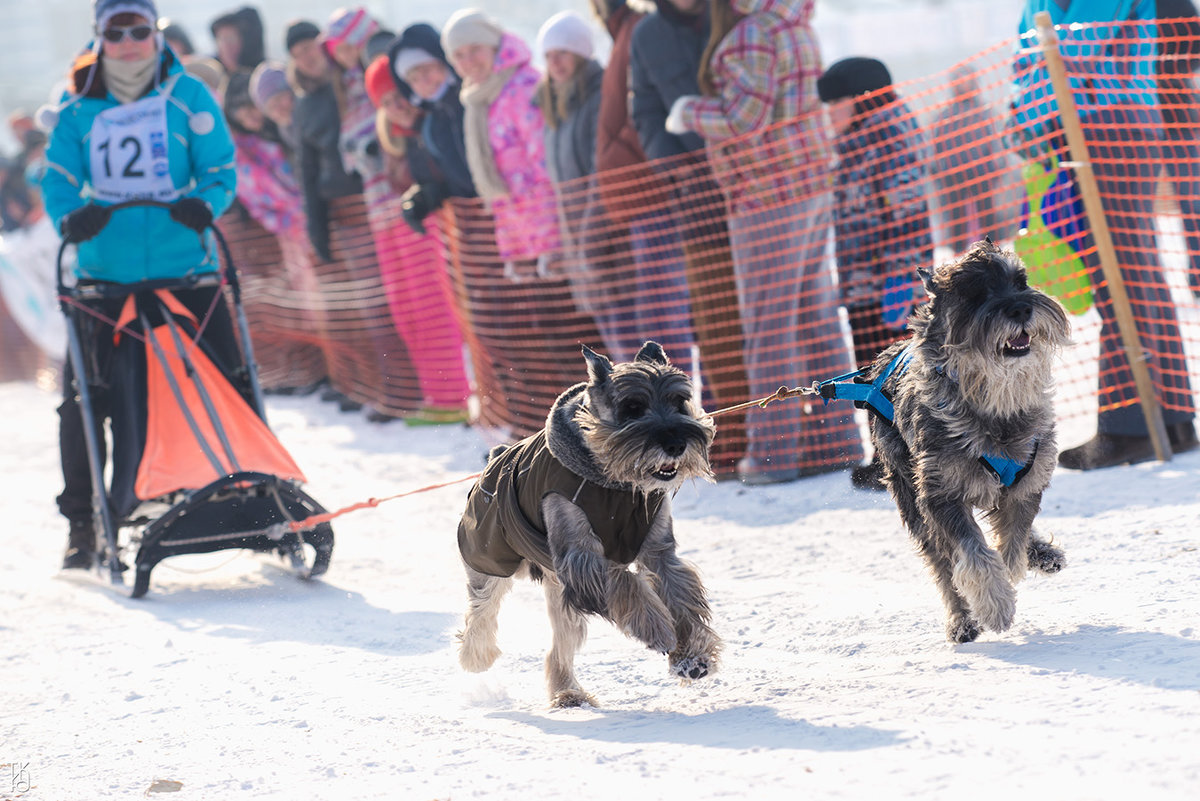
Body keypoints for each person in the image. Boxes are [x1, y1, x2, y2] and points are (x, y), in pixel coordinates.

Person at [40, 0, 238, 568]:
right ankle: (83, 522)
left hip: (185, 268)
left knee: (232, 378)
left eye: (138, 30)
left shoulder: (188, 97)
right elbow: (57, 179)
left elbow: (220, 166)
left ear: (155, 33)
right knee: (82, 403)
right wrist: (70, 218)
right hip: (104, 278)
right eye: (115, 31)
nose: (129, 42)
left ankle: (245, 489)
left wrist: (207, 203)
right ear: (100, 38)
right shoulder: (76, 109)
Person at [664, 0, 863, 484]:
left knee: (768, 324)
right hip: (810, 182)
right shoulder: (796, 26)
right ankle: (838, 441)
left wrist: (688, 111)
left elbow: (743, 118)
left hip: (766, 193)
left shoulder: (752, 33)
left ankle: (774, 454)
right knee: (815, 318)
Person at [1013, 0, 1197, 469]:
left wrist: (1035, 85)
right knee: (1131, 270)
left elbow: (1074, 46)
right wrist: (1024, 113)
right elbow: (1026, 58)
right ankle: (1171, 418)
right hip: (1069, 131)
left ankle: (1129, 424)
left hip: (1111, 123)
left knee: (1125, 272)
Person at [630, 0, 750, 476]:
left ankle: (798, 431)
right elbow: (646, 110)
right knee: (718, 323)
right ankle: (736, 434)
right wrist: (676, 170)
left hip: (752, 179)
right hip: (699, 195)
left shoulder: (736, 16)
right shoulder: (648, 35)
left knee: (770, 317)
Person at [817, 56, 934, 490]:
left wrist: (903, 278)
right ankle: (886, 454)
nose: (829, 114)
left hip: (890, 281)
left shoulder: (890, 136)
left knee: (897, 368)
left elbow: (906, 213)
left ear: (862, 101)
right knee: (872, 369)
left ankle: (909, 454)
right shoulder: (855, 139)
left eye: (836, 103)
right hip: (865, 278)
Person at [364, 54, 470, 423]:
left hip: (446, 232)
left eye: (399, 98)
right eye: (386, 104)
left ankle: (455, 394)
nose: (396, 108)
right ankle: (439, 394)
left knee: (435, 310)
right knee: (411, 312)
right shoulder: (402, 142)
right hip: (414, 227)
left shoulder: (430, 128)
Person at [930, 66, 1009, 254]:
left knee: (987, 214)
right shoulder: (945, 115)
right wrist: (937, 171)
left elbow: (994, 140)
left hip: (981, 171)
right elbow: (937, 145)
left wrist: (998, 165)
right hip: (953, 174)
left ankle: (992, 251)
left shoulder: (984, 112)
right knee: (957, 218)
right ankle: (957, 254)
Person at [1155, 0, 1200, 298]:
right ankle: (1147, 289)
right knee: (1135, 212)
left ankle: (1196, 276)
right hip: (1128, 119)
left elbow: (1196, 47)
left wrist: (1164, 66)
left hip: (1178, 114)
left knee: (1193, 202)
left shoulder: (1174, 2)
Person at [210, 6, 265, 75]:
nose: (226, 47)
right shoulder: (211, 79)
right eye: (221, 40)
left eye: (231, 39)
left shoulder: (268, 77)